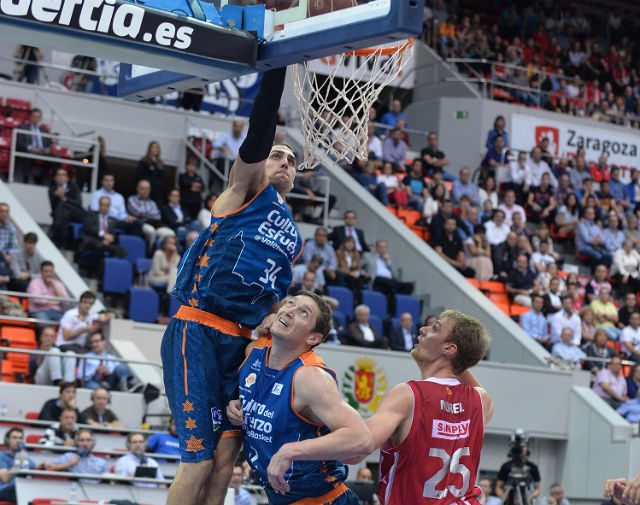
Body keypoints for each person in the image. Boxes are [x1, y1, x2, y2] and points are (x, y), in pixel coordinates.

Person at [160, 67, 303, 505]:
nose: (284, 163)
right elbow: (260, 129)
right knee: (199, 459)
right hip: (198, 329)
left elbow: (273, 304)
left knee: (225, 461)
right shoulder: (240, 194)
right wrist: (279, 63)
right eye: (277, 155)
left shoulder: (294, 237)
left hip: (240, 344)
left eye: (292, 161)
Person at [227, 293, 372, 504]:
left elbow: (362, 440)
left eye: (303, 312)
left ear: (313, 338)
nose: (290, 310)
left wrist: (291, 451)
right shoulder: (254, 351)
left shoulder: (310, 377)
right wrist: (238, 407)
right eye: (290, 303)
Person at [344, 310, 492, 504]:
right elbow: (473, 384)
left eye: (435, 328)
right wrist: (454, 359)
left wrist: (298, 447)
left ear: (449, 348)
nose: (422, 330)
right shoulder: (480, 400)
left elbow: (357, 450)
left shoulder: (408, 394)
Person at [41, 428, 108, 482]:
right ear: (76, 442)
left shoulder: (101, 462)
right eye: (82, 440)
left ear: (93, 443)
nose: (85, 443)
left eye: (88, 440)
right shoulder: (68, 457)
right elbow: (47, 467)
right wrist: (69, 464)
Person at [495, 432, 541, 505]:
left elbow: (538, 488)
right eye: (519, 446)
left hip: (526, 499)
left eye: (524, 446)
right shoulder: (506, 466)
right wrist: (505, 497)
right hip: (509, 499)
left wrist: (529, 497)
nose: (521, 448)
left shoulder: (532, 467)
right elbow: (498, 487)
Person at [127, 179, 176, 247]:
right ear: (137, 189)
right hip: (141, 224)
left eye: (148, 189)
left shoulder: (152, 203)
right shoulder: (132, 199)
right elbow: (136, 212)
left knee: (170, 233)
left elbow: (157, 216)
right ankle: (150, 252)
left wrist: (144, 214)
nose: (145, 191)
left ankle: (160, 250)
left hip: (155, 224)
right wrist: (148, 214)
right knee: (151, 231)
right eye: (143, 188)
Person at [80, 196, 128, 262]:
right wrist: (103, 234)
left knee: (122, 251)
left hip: (106, 243)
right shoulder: (91, 215)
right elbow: (88, 227)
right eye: (103, 205)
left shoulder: (112, 220)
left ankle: (110, 266)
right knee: (99, 246)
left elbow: (112, 233)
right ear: (99, 205)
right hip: (92, 240)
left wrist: (111, 238)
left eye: (107, 205)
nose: (105, 207)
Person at [48, 168, 85, 248]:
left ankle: (55, 232)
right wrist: (56, 196)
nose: (61, 177)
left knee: (62, 205)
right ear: (55, 178)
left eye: (63, 175)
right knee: (63, 211)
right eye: (59, 175)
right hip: (62, 214)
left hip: (76, 213)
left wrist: (64, 198)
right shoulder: (52, 189)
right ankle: (63, 240)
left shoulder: (74, 187)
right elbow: (53, 206)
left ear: (67, 178)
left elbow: (78, 203)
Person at [15, 108, 52, 184]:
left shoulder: (44, 130)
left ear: (40, 118)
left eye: (38, 117)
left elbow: (49, 143)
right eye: (34, 116)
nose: (36, 119)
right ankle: (26, 179)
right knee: (28, 155)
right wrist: (31, 148)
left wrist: (47, 149)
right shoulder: (22, 127)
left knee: (55, 158)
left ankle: (47, 181)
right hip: (29, 150)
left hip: (42, 151)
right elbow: (19, 142)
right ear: (30, 117)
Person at [0, 427, 36, 503]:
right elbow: (5, 478)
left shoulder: (23, 455)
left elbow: (35, 469)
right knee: (19, 486)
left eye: (20, 438)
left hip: (21, 488)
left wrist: (43, 465)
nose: (18, 441)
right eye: (14, 438)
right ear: (7, 440)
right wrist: (19, 462)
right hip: (4, 489)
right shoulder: (1, 456)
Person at [136, 141, 166, 206]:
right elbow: (140, 176)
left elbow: (162, 178)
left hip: (157, 192)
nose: (155, 149)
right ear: (149, 149)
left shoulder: (161, 163)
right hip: (146, 191)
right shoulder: (143, 161)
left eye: (157, 147)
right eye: (153, 147)